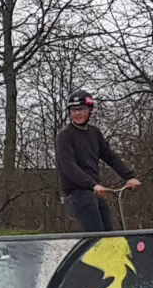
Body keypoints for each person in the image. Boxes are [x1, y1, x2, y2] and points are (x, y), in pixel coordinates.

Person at [55, 89, 139, 232]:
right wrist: (93, 185)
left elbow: (110, 157)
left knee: (109, 235)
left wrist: (129, 177)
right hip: (76, 193)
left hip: (93, 191)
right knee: (97, 237)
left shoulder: (94, 133)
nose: (77, 113)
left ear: (90, 110)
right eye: (73, 110)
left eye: (81, 109)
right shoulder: (64, 136)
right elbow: (69, 167)